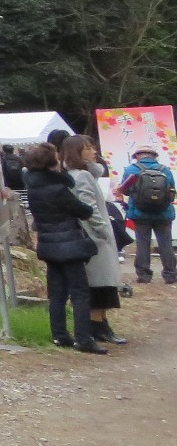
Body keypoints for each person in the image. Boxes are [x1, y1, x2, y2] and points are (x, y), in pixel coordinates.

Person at [25, 142, 104, 354]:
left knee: (57, 293)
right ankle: (84, 338)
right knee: (79, 293)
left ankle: (60, 335)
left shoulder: (32, 187)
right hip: (70, 244)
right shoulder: (59, 188)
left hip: (48, 244)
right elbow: (84, 211)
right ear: (52, 162)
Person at [61, 135, 126, 345]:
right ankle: (99, 326)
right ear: (77, 152)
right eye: (88, 148)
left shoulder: (79, 174)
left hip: (91, 236)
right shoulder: (81, 176)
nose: (94, 151)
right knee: (100, 284)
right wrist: (103, 230)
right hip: (94, 238)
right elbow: (90, 207)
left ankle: (101, 324)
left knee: (100, 282)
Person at [118, 146, 177, 285]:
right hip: (163, 213)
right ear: (154, 156)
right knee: (166, 244)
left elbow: (125, 191)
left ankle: (144, 276)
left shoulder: (131, 170)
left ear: (138, 156)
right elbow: (172, 190)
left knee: (143, 243)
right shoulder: (165, 170)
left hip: (140, 213)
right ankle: (170, 275)